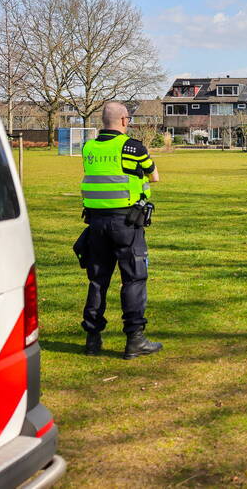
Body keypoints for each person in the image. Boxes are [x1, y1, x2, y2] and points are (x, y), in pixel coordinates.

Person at [79, 101, 163, 359]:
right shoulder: (132, 147)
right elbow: (154, 176)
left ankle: (92, 338)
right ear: (125, 120)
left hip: (95, 223)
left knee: (97, 281)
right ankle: (135, 339)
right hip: (126, 223)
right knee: (134, 279)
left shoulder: (89, 147)